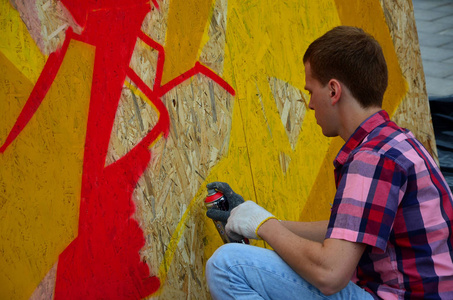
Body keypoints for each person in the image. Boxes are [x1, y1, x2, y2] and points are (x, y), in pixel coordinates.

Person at [205, 26, 453, 299]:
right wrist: (261, 220)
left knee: (228, 265)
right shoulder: (396, 143)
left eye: (311, 91)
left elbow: (330, 274)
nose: (310, 104)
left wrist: (265, 226)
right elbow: (346, 231)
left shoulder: (371, 159)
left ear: (334, 91)